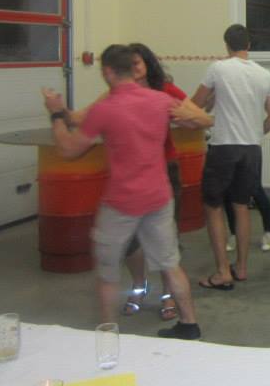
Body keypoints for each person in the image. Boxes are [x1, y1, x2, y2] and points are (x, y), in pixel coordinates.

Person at [42, 44, 210, 339]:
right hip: (158, 196)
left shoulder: (105, 108)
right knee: (170, 264)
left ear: (107, 72)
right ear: (133, 69)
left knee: (108, 273)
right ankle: (189, 324)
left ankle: (109, 334)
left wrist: (56, 114)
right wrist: (188, 118)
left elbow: (68, 150)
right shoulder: (161, 100)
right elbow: (203, 119)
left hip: (122, 202)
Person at [192, 24, 270, 289]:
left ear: (226, 45)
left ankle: (222, 272)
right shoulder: (265, 74)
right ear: (249, 45)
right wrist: (255, 133)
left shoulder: (218, 68)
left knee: (214, 206)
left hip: (224, 147)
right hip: (252, 149)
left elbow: (195, 105)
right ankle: (241, 268)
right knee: (242, 206)